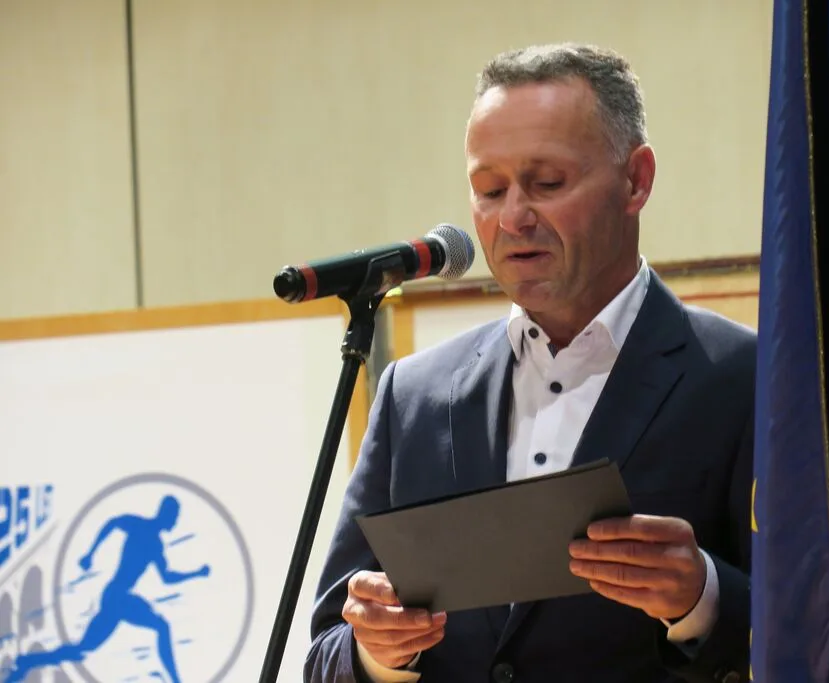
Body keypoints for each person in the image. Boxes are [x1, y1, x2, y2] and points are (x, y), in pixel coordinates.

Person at [305, 43, 753, 683]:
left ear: (636, 180)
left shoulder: (743, 378)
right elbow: (326, 654)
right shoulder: (415, 395)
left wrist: (701, 599)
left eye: (547, 184)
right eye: (489, 190)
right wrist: (378, 650)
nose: (512, 217)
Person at [6, 495, 210, 683]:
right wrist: (91, 553)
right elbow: (113, 523)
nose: (175, 521)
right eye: (174, 516)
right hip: (118, 597)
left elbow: (166, 577)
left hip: (116, 596)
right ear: (165, 513)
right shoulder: (140, 528)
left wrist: (196, 573)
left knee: (82, 648)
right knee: (161, 626)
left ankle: (28, 662)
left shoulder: (155, 544)